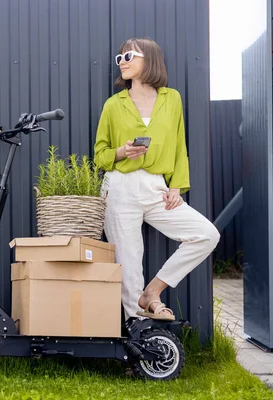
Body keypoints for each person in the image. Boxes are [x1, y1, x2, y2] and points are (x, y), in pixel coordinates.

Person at [93, 37, 220, 321]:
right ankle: (139, 346)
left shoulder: (171, 99)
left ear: (149, 59)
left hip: (157, 188)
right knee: (128, 267)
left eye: (129, 57)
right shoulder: (114, 105)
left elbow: (179, 146)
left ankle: (153, 291)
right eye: (120, 58)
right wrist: (122, 151)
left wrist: (176, 186)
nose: (122, 62)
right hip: (120, 188)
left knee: (206, 235)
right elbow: (100, 155)